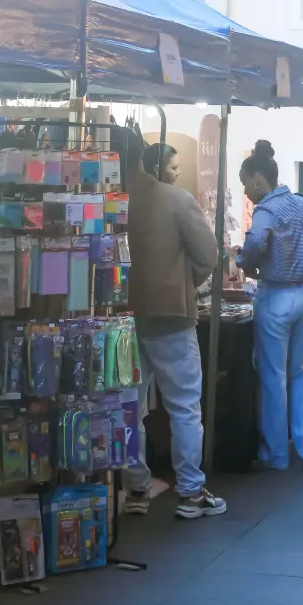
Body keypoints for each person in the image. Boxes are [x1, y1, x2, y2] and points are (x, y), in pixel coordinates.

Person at [122, 135, 226, 520]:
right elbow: (208, 255)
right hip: (171, 316)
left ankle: (135, 488)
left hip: (119, 320)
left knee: (127, 408)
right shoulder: (176, 199)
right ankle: (191, 491)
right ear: (144, 159)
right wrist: (185, 282)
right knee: (183, 405)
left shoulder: (103, 201)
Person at [238, 140, 303, 467]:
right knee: (298, 371)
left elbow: (255, 243)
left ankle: (276, 452)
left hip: (276, 295)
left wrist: (243, 261)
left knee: (272, 376)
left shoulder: (266, 210)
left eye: (244, 184)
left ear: (257, 179)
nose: (246, 192)